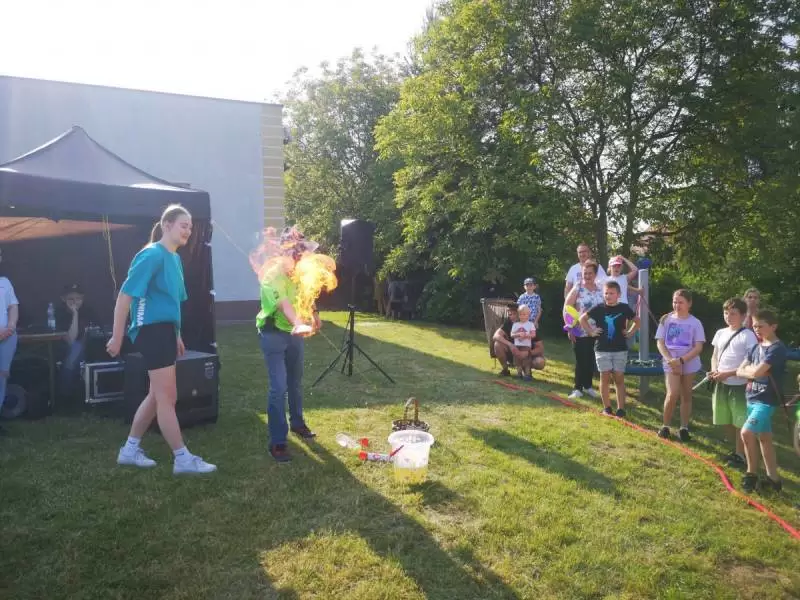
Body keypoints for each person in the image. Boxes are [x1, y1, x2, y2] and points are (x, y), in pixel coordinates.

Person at [107, 204, 217, 475]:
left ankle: (129, 450)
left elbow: (172, 302)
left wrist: (177, 334)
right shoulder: (151, 254)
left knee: (157, 395)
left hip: (165, 331)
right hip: (151, 331)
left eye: (190, 227)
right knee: (168, 397)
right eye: (183, 225)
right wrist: (117, 336)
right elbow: (125, 296)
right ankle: (182, 458)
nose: (188, 231)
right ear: (166, 225)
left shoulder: (174, 259)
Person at [257, 226, 322, 463]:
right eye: (296, 254)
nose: (300, 258)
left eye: (302, 254)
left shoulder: (300, 272)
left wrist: (314, 314)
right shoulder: (271, 275)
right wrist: (298, 323)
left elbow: (306, 295)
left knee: (295, 382)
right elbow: (284, 304)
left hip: (295, 334)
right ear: (284, 253)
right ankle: (278, 441)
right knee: (278, 387)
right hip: (273, 333)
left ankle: (297, 423)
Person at [735, 309, 787, 493]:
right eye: (755, 326)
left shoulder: (777, 349)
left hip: (766, 401)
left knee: (746, 433)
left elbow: (756, 372)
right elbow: (739, 370)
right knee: (765, 438)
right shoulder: (756, 347)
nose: (757, 329)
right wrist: (752, 371)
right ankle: (774, 480)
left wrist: (751, 371)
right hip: (751, 398)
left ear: (773, 326)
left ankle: (751, 474)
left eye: (761, 326)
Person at [708, 298, 758, 469]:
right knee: (724, 418)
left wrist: (728, 373)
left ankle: (740, 454)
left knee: (739, 420)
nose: (728, 317)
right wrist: (714, 370)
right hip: (720, 382)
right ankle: (737, 448)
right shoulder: (720, 333)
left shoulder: (748, 335)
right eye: (726, 313)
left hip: (739, 384)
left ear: (743, 316)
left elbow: (749, 362)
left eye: (733, 314)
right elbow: (715, 355)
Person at [580, 280, 639, 417]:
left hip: (620, 349)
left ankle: (621, 409)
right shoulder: (599, 308)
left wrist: (630, 332)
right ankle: (607, 408)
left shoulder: (624, 308)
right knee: (604, 377)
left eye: (612, 293)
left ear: (619, 295)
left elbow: (637, 321)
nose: (608, 296)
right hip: (602, 349)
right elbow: (583, 319)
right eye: (606, 293)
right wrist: (591, 332)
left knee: (619, 378)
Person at [655, 289, 706, 441]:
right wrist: (670, 360)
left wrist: (681, 360)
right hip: (671, 361)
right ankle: (665, 426)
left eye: (681, 302)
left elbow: (698, 347)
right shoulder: (666, 319)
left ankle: (684, 427)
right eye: (675, 302)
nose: (677, 305)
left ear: (689, 304)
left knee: (686, 394)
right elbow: (660, 342)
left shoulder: (695, 322)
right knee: (672, 393)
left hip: (689, 361)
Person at [564, 260, 604, 399]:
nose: (587, 276)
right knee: (581, 360)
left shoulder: (600, 288)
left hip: (597, 330)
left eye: (590, 273)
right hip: (579, 330)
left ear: (595, 274)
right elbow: (567, 307)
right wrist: (569, 327)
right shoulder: (577, 288)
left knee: (591, 359)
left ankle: (588, 386)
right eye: (585, 273)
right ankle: (577, 388)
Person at [55, 283, 97, 397]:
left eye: (78, 298)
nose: (75, 302)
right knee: (75, 348)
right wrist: (75, 314)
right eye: (71, 299)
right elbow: (70, 339)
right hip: (65, 350)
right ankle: (64, 395)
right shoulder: (59, 313)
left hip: (90, 348)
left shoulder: (88, 310)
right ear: (63, 299)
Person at [492, 303, 545, 377]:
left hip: (528, 353)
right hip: (514, 352)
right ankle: (505, 370)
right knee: (497, 344)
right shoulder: (509, 323)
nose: (511, 316)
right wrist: (510, 345)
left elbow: (540, 348)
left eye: (514, 314)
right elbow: (496, 335)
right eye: (510, 314)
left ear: (520, 314)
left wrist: (527, 353)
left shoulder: (530, 325)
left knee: (540, 362)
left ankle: (526, 371)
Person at [0, 253, 19, 434]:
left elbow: (13, 306)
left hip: (6, 337)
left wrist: (11, 326)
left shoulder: (5, 282)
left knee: (2, 377)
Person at [511, 304, 535, 380]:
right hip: (517, 345)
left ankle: (527, 375)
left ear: (528, 315)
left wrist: (525, 335)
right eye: (521, 314)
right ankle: (519, 374)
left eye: (525, 314)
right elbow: (512, 335)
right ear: (518, 315)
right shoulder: (515, 324)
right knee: (517, 360)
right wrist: (518, 334)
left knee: (526, 361)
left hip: (526, 346)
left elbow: (533, 335)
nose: (523, 316)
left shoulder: (530, 324)